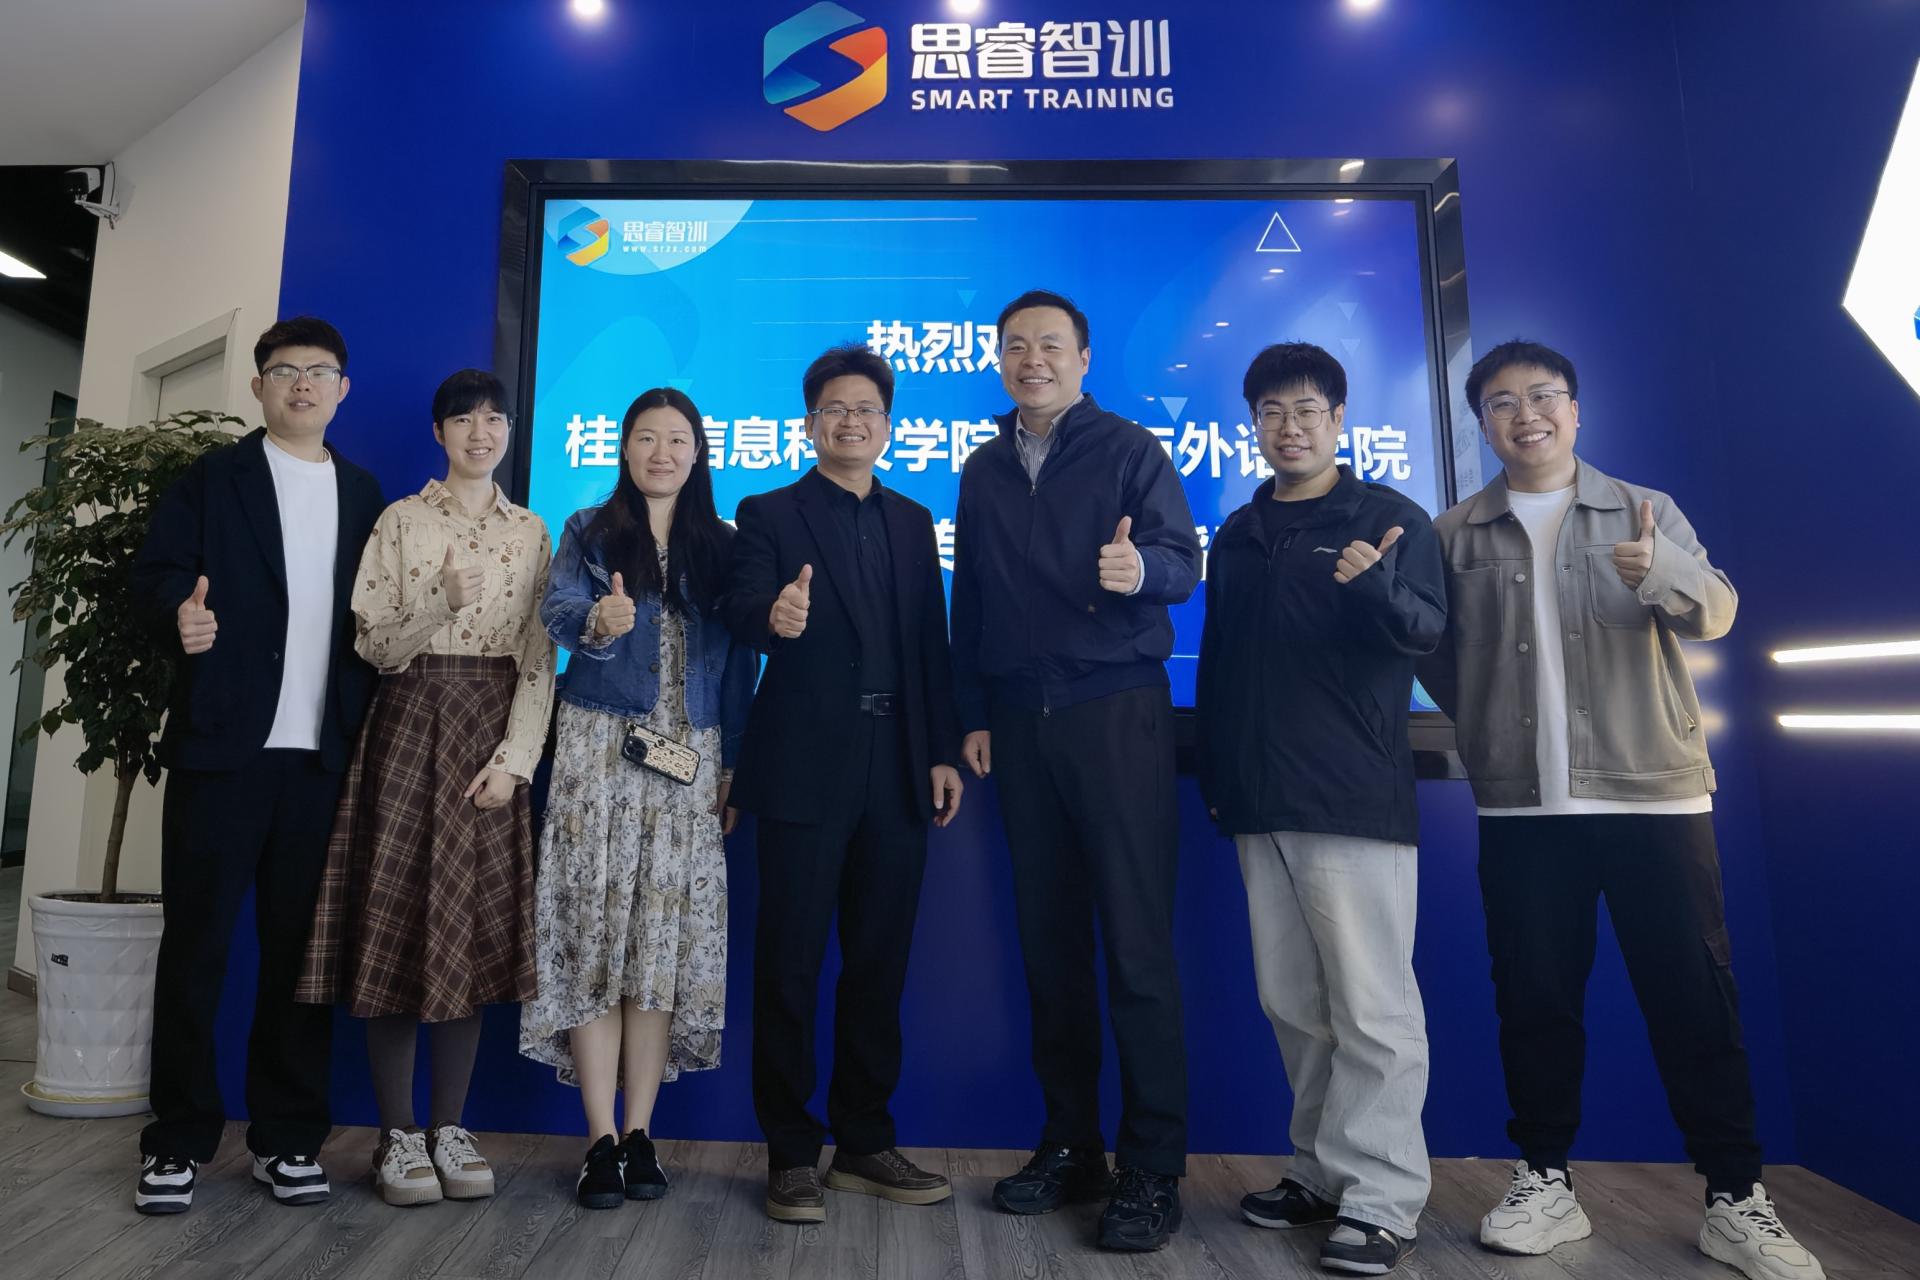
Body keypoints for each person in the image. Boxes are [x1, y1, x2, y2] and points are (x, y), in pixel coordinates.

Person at [1416, 340, 1824, 1280]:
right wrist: (1489, 728)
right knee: (1534, 1002)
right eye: (1503, 402)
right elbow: (1440, 657)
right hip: (1523, 811)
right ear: (1482, 423)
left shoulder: (1645, 509)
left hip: (1655, 796)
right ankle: (1545, 1180)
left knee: (1694, 1000)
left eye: (1544, 396)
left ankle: (1735, 1197)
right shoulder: (1455, 533)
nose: (1526, 415)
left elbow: (1715, 612)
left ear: (1575, 409)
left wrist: (1656, 570)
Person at [952, 289, 1200, 1251]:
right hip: (1020, 723)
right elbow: (971, 598)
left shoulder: (1131, 449)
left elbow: (1181, 557)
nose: (1033, 360)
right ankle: (1071, 1144)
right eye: (1016, 346)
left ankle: (1152, 1166)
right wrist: (974, 711)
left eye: (1050, 345)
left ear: (1084, 359)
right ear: (999, 360)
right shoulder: (982, 467)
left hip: (1114, 712)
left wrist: (1145, 574)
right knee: (1049, 946)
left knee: (1136, 947)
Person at [1195, 343, 1445, 1275]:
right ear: (1253, 425)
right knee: (1295, 1004)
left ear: (1339, 419)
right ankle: (1321, 1170)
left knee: (1373, 1007)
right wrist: (1219, 774)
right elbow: (1222, 663)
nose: (1288, 427)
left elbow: (1427, 629)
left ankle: (1382, 1199)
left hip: (1350, 796)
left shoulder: (1388, 518)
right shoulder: (1241, 529)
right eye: (1271, 412)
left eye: (1306, 410)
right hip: (1259, 798)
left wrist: (1374, 582)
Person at [128, 316, 385, 1214]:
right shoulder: (213, 479)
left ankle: (288, 1138)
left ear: (342, 389)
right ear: (258, 387)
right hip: (222, 753)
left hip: (321, 761)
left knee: (300, 962)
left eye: (319, 371)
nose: (302, 385)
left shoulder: (365, 493)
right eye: (284, 371)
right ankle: (176, 1142)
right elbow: (154, 575)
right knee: (196, 950)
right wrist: (178, 613)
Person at [294, 369, 554, 1206]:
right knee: (398, 922)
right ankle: (396, 1136)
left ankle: (450, 1126)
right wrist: (439, 602)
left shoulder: (532, 530)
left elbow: (539, 659)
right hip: (408, 723)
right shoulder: (401, 520)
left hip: (490, 731)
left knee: (466, 930)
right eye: (464, 420)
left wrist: (515, 761)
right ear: (439, 433)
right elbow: (372, 647)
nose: (481, 432)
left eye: (494, 419)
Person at [720, 343, 964, 1225]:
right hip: (803, 765)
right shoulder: (768, 511)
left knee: (878, 964)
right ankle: (791, 1153)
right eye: (835, 409)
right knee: (788, 965)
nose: (851, 421)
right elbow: (739, 606)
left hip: (897, 762)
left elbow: (929, 643)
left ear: (888, 425)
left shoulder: (913, 519)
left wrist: (941, 749)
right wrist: (773, 616)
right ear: (809, 423)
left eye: (867, 409)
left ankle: (863, 1142)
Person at [518, 387, 755, 1211]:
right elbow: (553, 609)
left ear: (699, 451)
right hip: (598, 753)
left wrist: (735, 763)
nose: (662, 452)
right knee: (595, 940)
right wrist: (599, 619)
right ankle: (598, 1139)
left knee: (657, 947)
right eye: (646, 438)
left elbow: (738, 662)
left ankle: (641, 1133)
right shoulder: (590, 529)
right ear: (623, 448)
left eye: (677, 439)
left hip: (691, 755)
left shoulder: (722, 545)